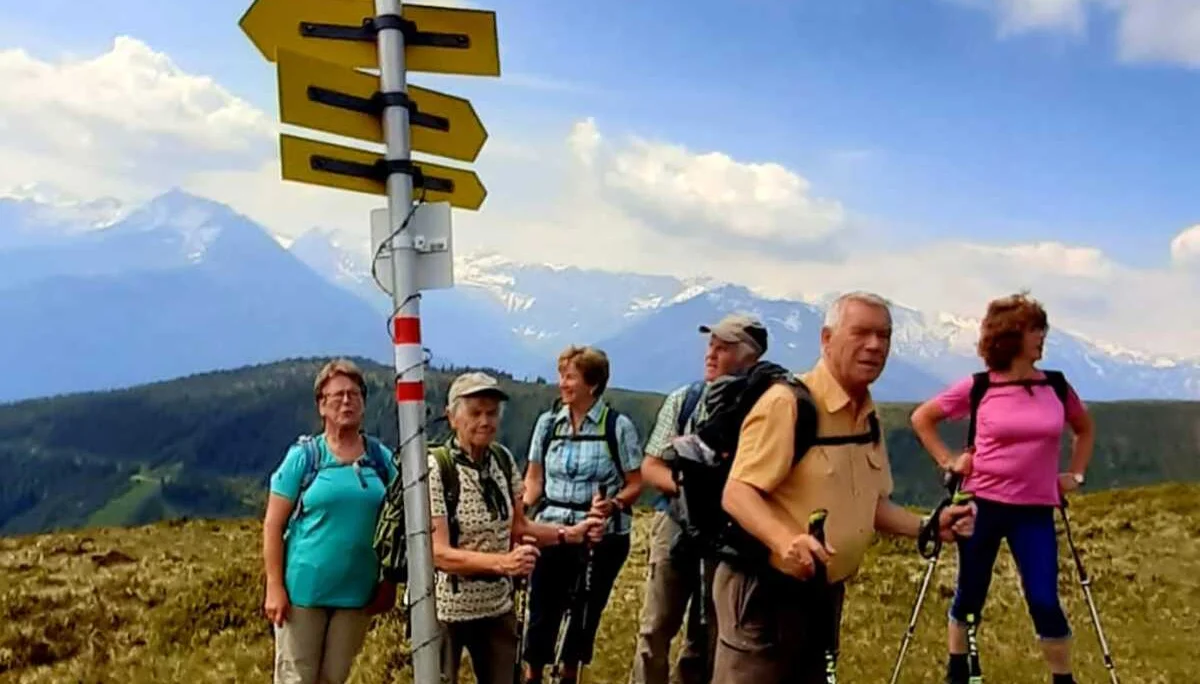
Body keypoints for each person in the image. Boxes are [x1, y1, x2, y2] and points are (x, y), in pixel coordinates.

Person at [713, 291, 977, 683]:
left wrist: (926, 526)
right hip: (764, 594)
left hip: (823, 593)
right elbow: (737, 492)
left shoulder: (866, 416)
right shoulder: (787, 404)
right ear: (826, 339)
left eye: (884, 336)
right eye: (860, 333)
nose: (874, 346)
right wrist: (787, 541)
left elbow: (870, 504)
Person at [910, 293, 1095, 684]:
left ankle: (1064, 678)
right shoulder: (979, 387)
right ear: (1010, 336)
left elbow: (1084, 428)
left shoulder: (1057, 386)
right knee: (971, 591)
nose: (1042, 337)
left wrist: (1074, 475)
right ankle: (958, 669)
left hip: (1036, 509)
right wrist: (949, 461)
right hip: (981, 504)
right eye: (1034, 329)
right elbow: (923, 417)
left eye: (1041, 328)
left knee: (1044, 599)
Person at [420, 371, 605, 684]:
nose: (485, 421)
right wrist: (503, 564)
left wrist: (570, 534)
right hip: (446, 611)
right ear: (452, 418)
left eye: (492, 413)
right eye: (475, 413)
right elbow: (438, 554)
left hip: (497, 607)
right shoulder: (436, 468)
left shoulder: (502, 460)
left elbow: (519, 529)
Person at [630, 313, 768, 684]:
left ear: (749, 356)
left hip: (730, 533)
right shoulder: (685, 400)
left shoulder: (767, 408)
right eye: (711, 345)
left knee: (710, 632)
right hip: (676, 524)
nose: (711, 354)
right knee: (655, 628)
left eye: (723, 348)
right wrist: (693, 488)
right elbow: (650, 467)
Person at [262, 359, 397, 684]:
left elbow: (399, 522)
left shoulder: (381, 459)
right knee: (297, 678)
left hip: (357, 594)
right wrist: (275, 587)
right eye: (337, 396)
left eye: (354, 394)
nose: (346, 402)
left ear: (364, 402)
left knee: (334, 679)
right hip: (302, 595)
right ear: (321, 406)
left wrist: (389, 582)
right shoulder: (305, 458)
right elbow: (273, 525)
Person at [520, 345, 644, 684]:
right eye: (561, 375)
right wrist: (520, 510)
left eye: (570, 377)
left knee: (585, 609)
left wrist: (614, 504)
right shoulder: (548, 424)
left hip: (600, 534)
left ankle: (569, 673)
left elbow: (636, 482)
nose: (562, 384)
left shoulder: (617, 427)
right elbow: (534, 478)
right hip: (550, 527)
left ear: (592, 383)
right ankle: (533, 672)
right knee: (542, 604)